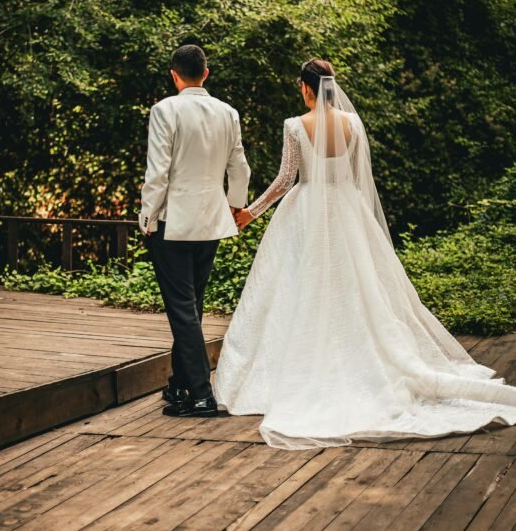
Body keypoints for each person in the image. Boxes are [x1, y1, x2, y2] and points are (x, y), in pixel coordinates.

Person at [214, 58, 516, 448]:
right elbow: (358, 178)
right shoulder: (352, 124)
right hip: (348, 212)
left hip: (306, 215)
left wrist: (249, 214)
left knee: (297, 290)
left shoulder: (294, 126)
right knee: (356, 291)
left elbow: (286, 180)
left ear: (306, 87)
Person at [139, 44, 251, 417]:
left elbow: (158, 171)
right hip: (212, 221)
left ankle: (202, 395)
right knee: (192, 307)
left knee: (182, 310)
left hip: (173, 222)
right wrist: (235, 205)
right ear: (206, 73)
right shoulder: (228, 112)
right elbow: (240, 167)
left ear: (174, 75)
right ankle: (181, 384)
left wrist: (146, 218)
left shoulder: (165, 110)